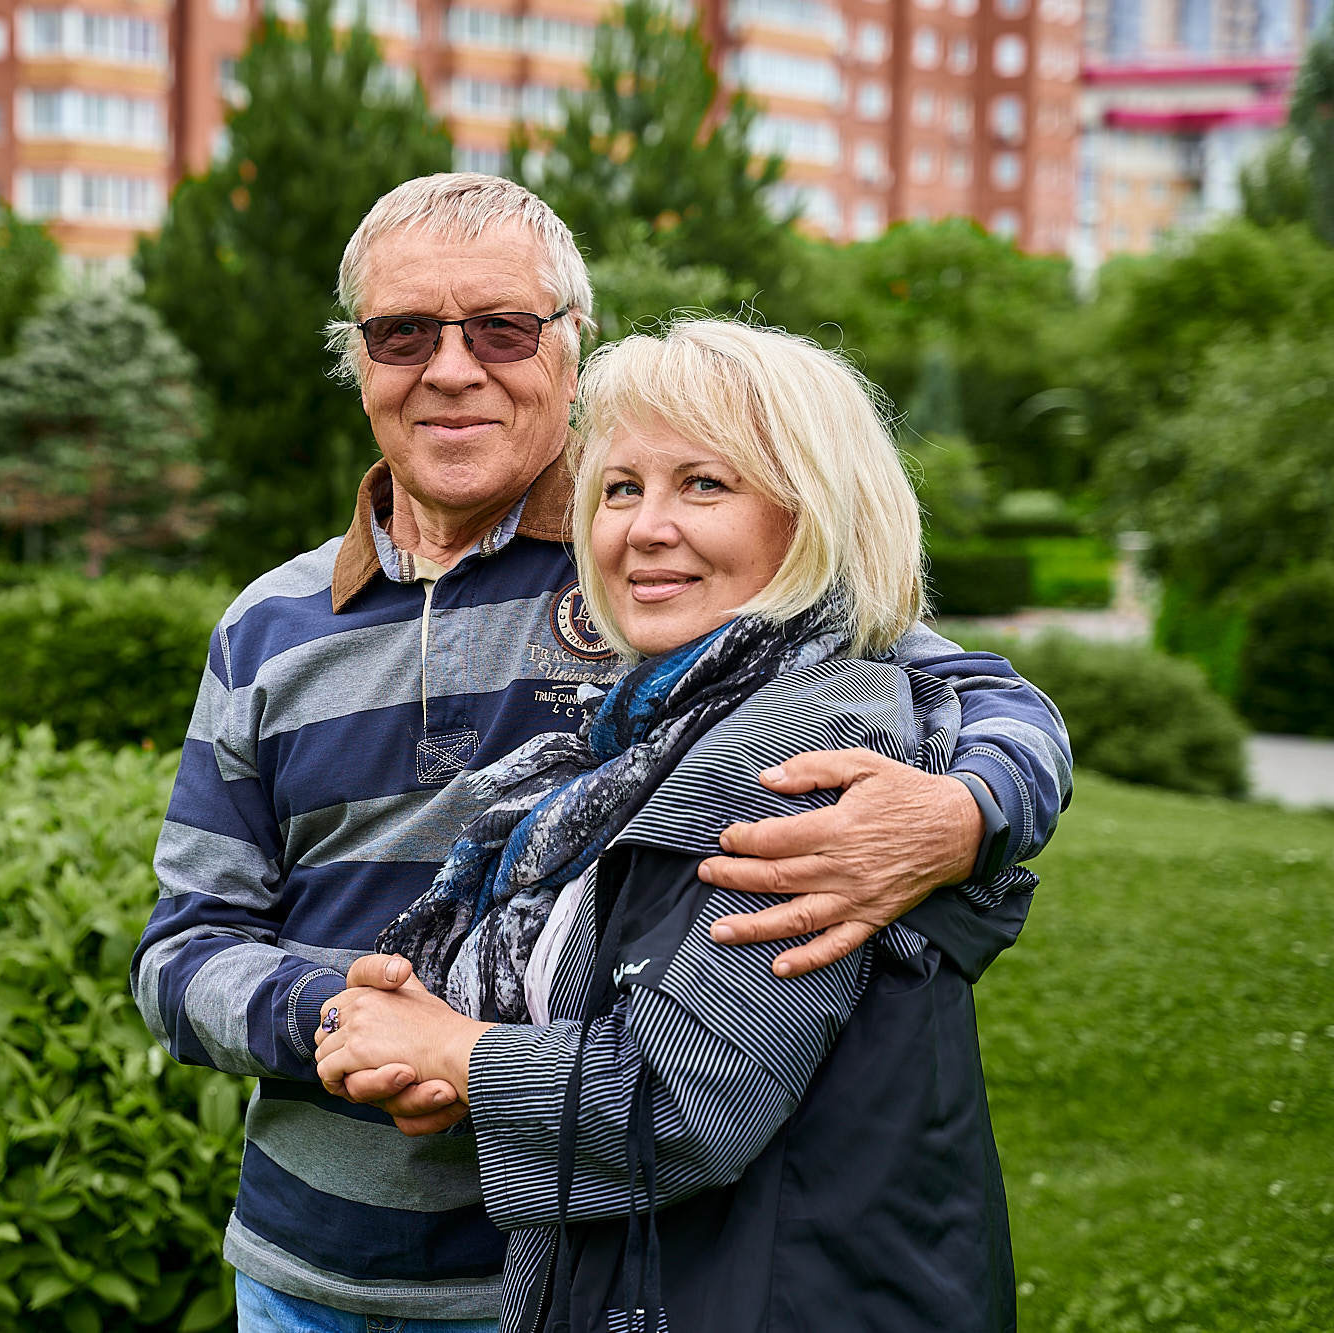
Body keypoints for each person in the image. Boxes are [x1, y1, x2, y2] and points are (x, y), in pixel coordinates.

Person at [131, 173, 1069, 1332]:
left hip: (571, 1274)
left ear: (569, 345)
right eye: (403, 331)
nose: (452, 367)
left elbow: (966, 688)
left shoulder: (661, 574)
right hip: (302, 1270)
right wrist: (340, 1018)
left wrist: (963, 815)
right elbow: (182, 948)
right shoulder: (267, 626)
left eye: (501, 328)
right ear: (358, 362)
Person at [314, 319, 1028, 1332]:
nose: (643, 527)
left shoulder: (800, 750)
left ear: (813, 515)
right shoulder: (658, 732)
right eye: (619, 488)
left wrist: (456, 1052)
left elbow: (683, 1102)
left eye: (703, 484)